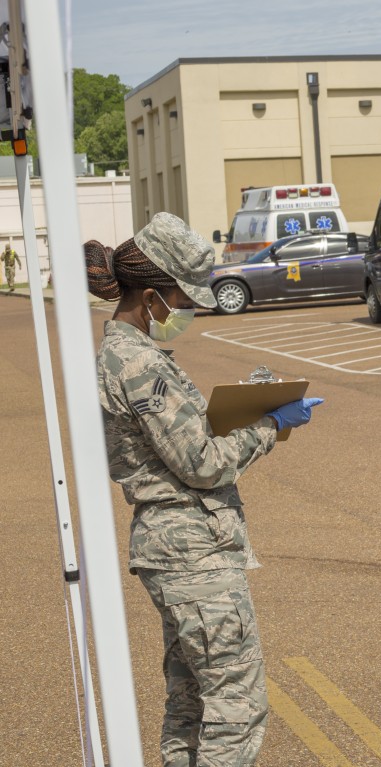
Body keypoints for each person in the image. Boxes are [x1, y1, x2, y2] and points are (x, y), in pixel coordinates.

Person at [86, 212, 324, 767]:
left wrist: (250, 407)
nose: (187, 310)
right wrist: (271, 426)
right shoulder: (139, 362)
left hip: (174, 549)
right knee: (237, 709)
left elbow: (184, 438)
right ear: (150, 297)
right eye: (181, 298)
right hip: (191, 552)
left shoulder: (126, 353)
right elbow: (201, 462)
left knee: (191, 702)